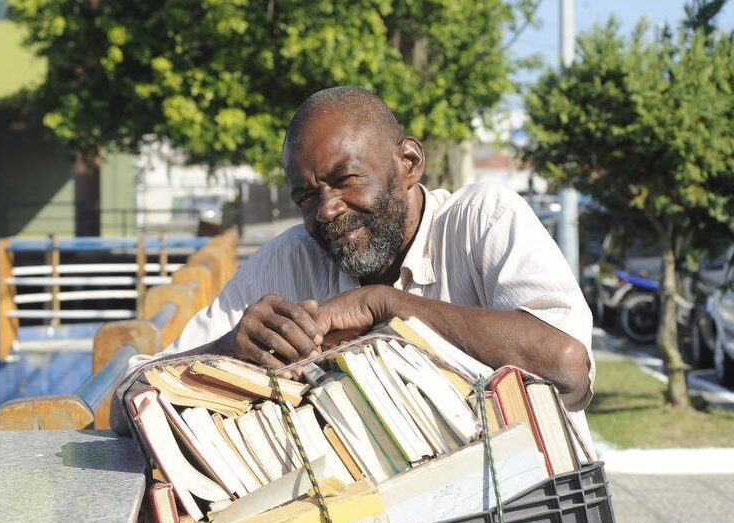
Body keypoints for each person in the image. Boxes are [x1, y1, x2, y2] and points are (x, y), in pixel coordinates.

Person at [123, 86, 594, 441]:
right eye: (307, 196)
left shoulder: (484, 218)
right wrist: (229, 348)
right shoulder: (289, 261)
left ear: (408, 162)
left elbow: (567, 366)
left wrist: (384, 305)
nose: (327, 210)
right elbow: (126, 403)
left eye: (346, 180)